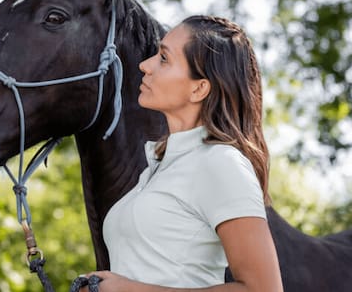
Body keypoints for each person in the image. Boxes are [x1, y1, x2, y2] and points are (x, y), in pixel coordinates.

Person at [82, 15, 283, 291]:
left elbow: (264, 289)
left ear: (199, 88)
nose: (145, 66)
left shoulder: (221, 163)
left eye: (164, 59)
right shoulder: (158, 166)